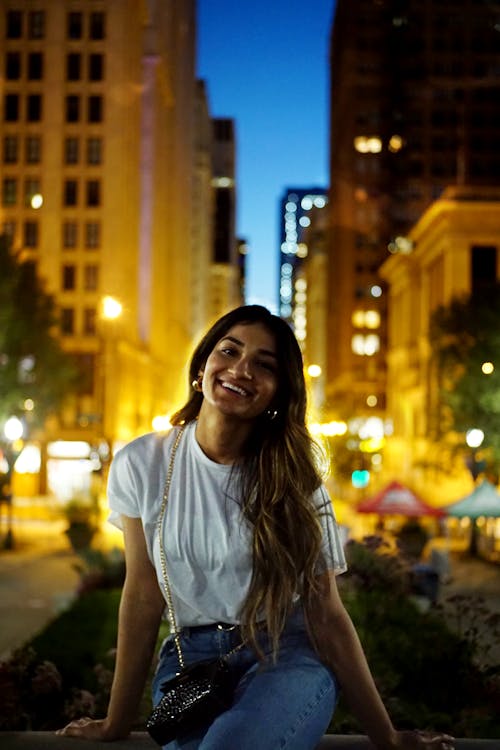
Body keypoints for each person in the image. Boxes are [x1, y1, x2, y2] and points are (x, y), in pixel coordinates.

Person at [57, 305, 454, 750]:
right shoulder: (141, 463)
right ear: (203, 365)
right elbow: (142, 593)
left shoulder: (296, 483)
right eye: (229, 351)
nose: (241, 370)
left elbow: (327, 614)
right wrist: (116, 722)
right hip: (192, 663)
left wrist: (388, 737)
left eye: (264, 365)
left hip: (287, 655)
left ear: (277, 394)